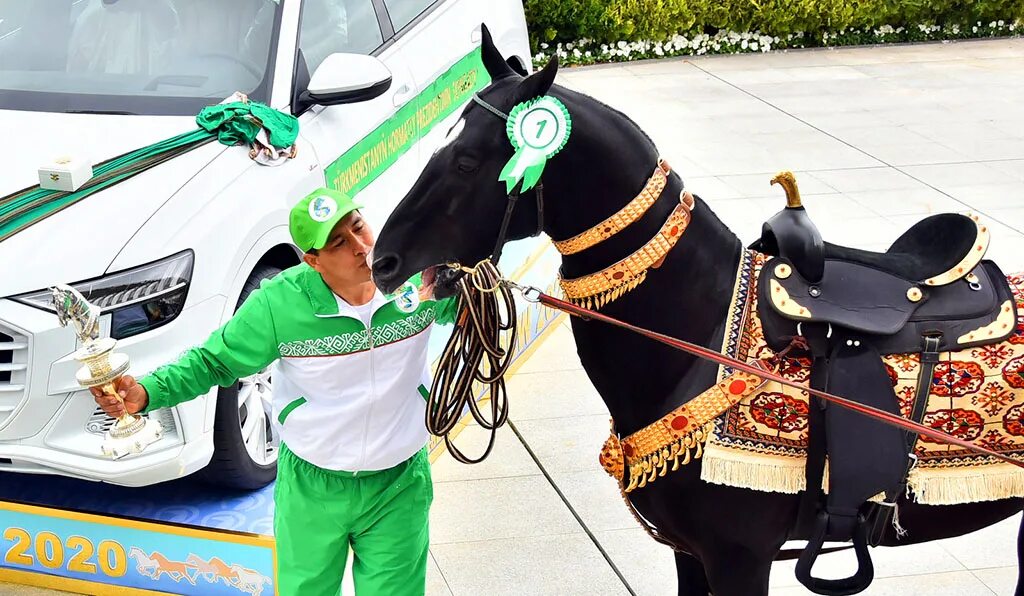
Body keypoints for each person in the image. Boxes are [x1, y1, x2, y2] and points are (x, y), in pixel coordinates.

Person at [92, 187, 457, 596]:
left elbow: (474, 306)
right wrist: (146, 392)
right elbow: (214, 361)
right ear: (313, 261)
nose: (360, 247)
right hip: (313, 487)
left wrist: (471, 280)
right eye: (339, 242)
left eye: (359, 227)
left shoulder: (416, 273)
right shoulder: (279, 304)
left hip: (399, 481)